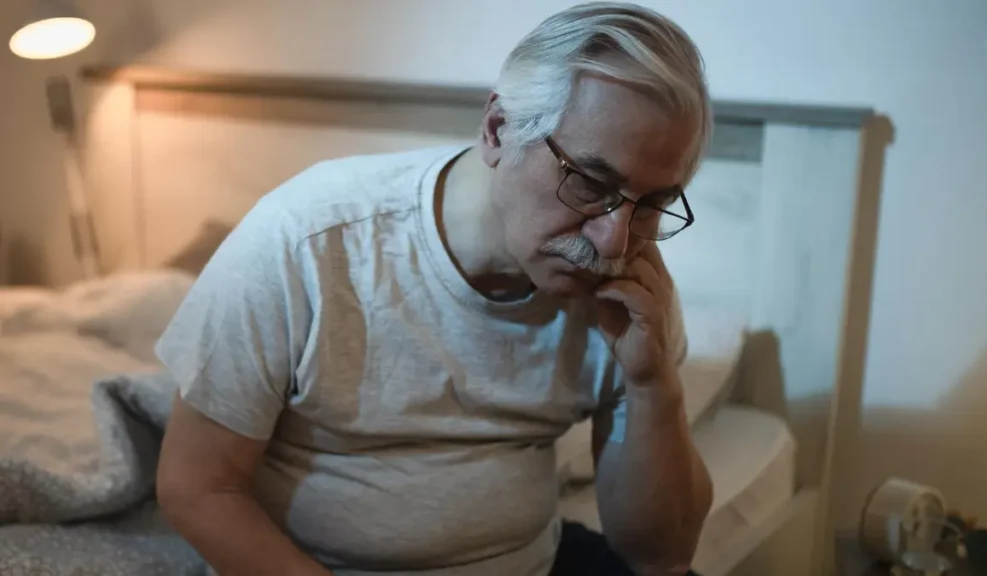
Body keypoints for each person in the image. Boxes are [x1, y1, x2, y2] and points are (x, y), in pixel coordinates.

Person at [154, 2, 714, 575]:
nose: (614, 240)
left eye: (652, 204)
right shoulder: (309, 238)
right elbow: (196, 487)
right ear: (499, 129)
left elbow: (661, 556)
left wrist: (652, 385)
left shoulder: (632, 290)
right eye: (592, 183)